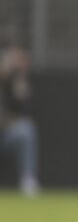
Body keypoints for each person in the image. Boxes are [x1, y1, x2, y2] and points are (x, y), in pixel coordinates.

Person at [0, 46, 40, 196]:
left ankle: (27, 179)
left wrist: (17, 81)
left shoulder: (12, 84)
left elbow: (25, 109)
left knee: (26, 129)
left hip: (5, 134)